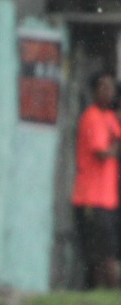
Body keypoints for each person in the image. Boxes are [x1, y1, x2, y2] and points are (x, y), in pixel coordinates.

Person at [73, 73, 121, 290]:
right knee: (101, 257)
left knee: (106, 253)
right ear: (94, 91)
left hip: (108, 200)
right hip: (91, 197)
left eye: (111, 87)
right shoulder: (91, 117)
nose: (107, 92)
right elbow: (103, 153)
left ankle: (99, 294)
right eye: (103, 87)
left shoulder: (110, 118)